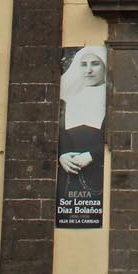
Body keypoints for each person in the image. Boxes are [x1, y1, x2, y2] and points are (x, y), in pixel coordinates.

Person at [57, 46, 108, 200]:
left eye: (95, 64)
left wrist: (93, 155)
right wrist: (62, 155)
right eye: (84, 64)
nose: (89, 70)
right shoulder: (66, 101)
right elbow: (58, 135)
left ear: (104, 66)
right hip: (68, 175)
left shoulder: (112, 99)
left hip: (97, 175)